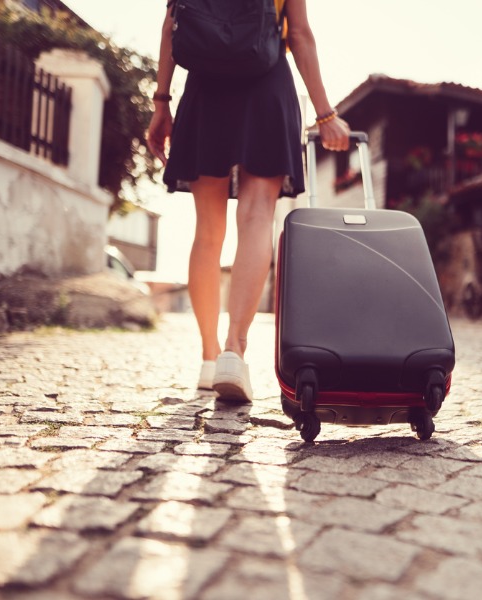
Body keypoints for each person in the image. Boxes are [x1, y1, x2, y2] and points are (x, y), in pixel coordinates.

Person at [146, 0, 350, 402]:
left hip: (205, 86)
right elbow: (301, 34)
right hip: (266, 82)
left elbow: (172, 24)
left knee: (207, 231)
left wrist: (161, 102)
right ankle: (233, 352)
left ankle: (209, 359)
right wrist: (326, 115)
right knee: (257, 218)